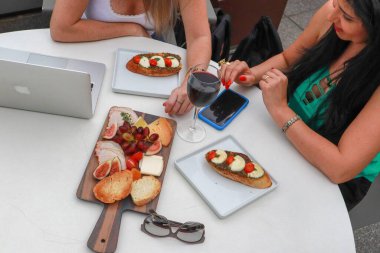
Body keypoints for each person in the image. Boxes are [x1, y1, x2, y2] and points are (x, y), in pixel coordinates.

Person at [220, 0, 380, 211]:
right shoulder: (331, 14)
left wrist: (281, 110)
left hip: (330, 180)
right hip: (287, 136)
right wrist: (253, 74)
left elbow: (340, 168)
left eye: (348, 18)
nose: (332, 17)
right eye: (336, 5)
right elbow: (288, 59)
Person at [50, 0, 211, 115]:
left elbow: (199, 37)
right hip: (89, 51)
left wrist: (193, 79)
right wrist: (131, 29)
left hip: (145, 58)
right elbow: (61, 28)